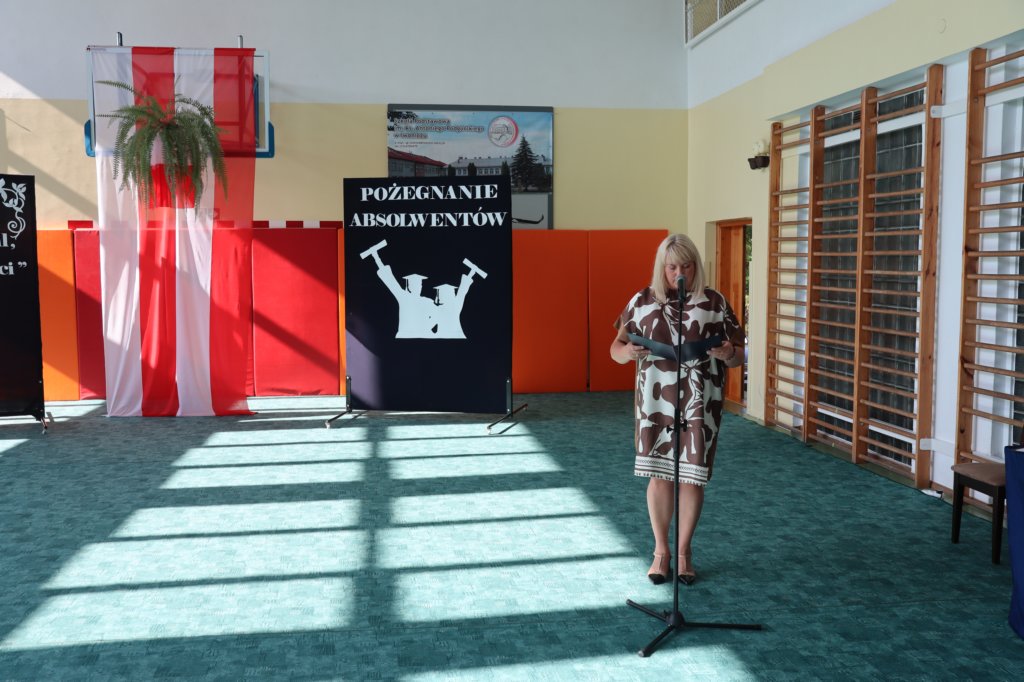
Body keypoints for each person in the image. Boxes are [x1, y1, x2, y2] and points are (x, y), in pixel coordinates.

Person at [610, 233, 744, 585]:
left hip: (701, 402)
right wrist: (627, 353)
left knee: (691, 477)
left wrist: (728, 353)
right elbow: (615, 348)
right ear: (662, 267)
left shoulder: (714, 302)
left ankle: (684, 552)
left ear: (696, 266)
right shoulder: (641, 301)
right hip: (655, 403)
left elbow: (739, 355)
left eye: (686, 266)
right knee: (659, 476)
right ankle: (661, 551)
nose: (679, 273)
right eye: (672, 267)